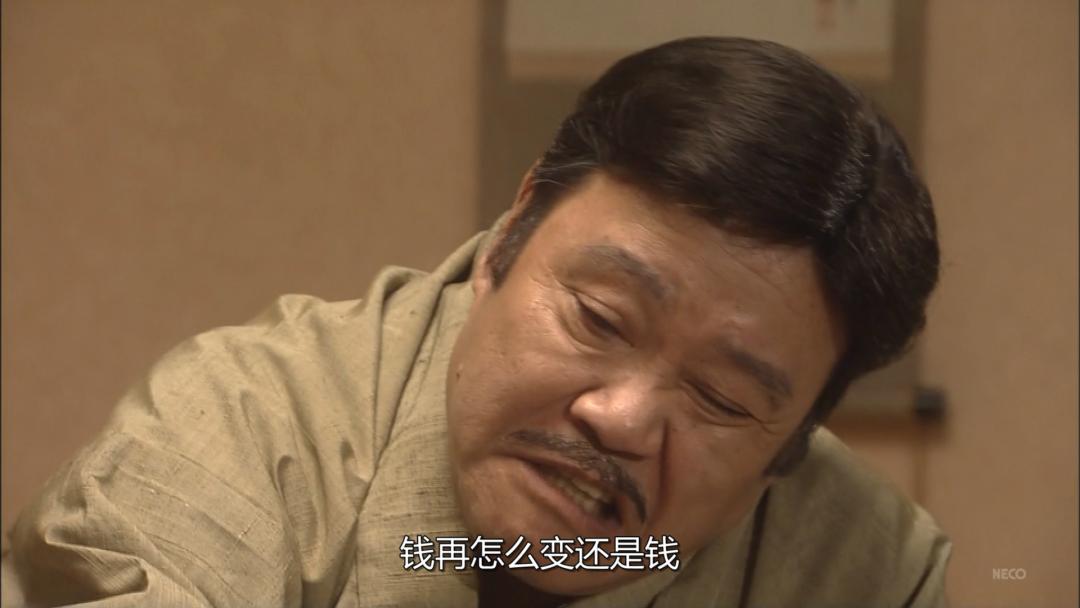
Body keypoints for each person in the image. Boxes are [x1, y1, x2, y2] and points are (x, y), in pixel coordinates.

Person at [1, 37, 949, 607]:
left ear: (792, 447)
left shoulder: (866, 569)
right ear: (509, 235)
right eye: (600, 318)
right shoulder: (243, 433)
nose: (620, 418)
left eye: (720, 397)